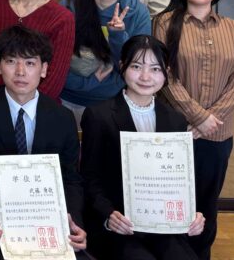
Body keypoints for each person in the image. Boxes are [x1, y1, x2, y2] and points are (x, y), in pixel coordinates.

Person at [0, 26, 88, 260]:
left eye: (30, 63)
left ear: (44, 69)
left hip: (47, 225)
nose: (21, 71)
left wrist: (74, 223)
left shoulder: (62, 118)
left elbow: (71, 179)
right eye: (11, 61)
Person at [154, 0, 234, 260]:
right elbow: (164, 75)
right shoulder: (164, 24)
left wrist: (212, 119)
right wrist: (198, 117)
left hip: (217, 134)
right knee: (171, 200)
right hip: (175, 131)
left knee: (207, 204)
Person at [80, 35, 204, 260]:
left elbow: (183, 180)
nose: (146, 77)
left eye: (155, 69)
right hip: (120, 226)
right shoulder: (99, 116)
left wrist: (193, 214)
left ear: (166, 73)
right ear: (122, 66)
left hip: (164, 227)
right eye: (136, 66)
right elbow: (89, 178)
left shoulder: (175, 120)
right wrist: (108, 215)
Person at [60, 0, 151, 116]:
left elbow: (137, 65)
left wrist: (117, 34)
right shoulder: (68, 7)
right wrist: (88, 83)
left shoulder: (138, 12)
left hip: (116, 101)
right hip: (68, 99)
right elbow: (55, 62)